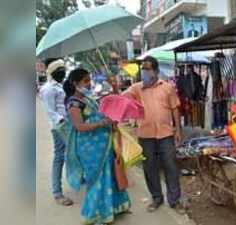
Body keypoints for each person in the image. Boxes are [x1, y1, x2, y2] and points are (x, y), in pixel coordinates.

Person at [63, 68, 131, 225]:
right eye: (85, 81)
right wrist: (101, 123)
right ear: (75, 83)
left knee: (111, 175)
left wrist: (114, 86)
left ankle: (114, 208)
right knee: (97, 179)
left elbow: (111, 102)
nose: (89, 83)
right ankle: (96, 214)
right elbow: (79, 127)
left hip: (104, 144)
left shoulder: (89, 98)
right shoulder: (73, 103)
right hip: (90, 148)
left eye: (89, 80)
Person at [123, 56, 185, 214]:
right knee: (150, 168)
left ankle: (174, 200)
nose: (144, 72)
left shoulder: (167, 87)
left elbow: (175, 109)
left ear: (156, 71)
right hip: (146, 134)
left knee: (171, 166)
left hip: (166, 134)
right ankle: (156, 198)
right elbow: (122, 99)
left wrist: (178, 130)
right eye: (143, 69)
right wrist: (115, 86)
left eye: (148, 68)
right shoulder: (136, 88)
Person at [39, 58, 73, 206]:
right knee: (59, 157)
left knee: (73, 152)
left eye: (63, 70)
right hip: (59, 127)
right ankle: (57, 193)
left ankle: (79, 178)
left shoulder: (60, 86)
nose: (63, 73)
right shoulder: (48, 89)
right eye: (60, 71)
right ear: (52, 72)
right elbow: (50, 110)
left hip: (68, 124)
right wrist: (62, 122)